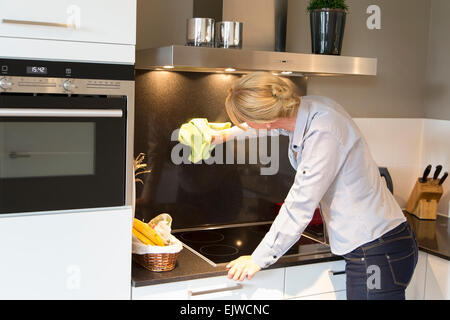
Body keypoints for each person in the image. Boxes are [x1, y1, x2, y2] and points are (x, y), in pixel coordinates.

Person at [214, 72, 418, 300]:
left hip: (377, 250)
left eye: (245, 121)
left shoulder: (323, 132)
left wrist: (257, 259)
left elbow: (299, 205)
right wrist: (223, 135)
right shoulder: (309, 107)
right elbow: (272, 125)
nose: (244, 125)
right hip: (378, 244)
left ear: (266, 119)